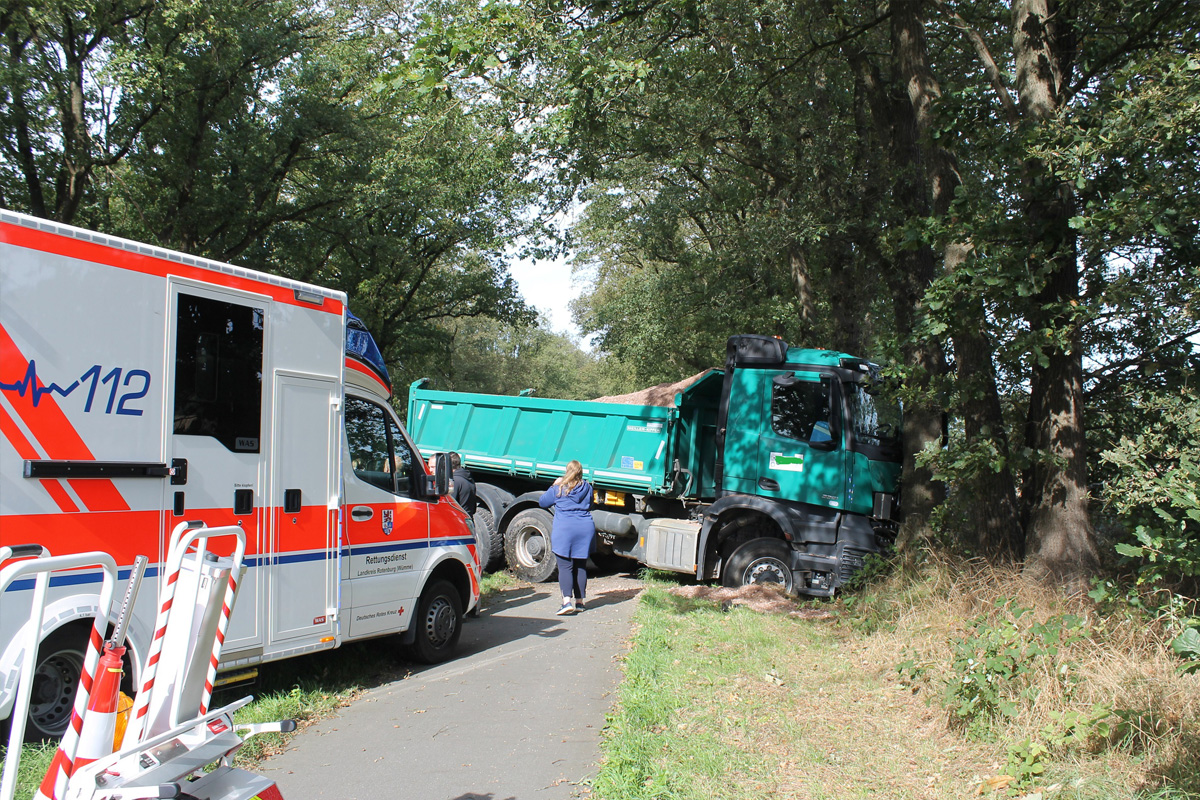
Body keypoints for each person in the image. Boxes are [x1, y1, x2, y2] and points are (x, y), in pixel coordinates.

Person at [539, 460, 595, 615]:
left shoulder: (559, 488)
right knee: (580, 565)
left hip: (565, 529)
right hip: (584, 527)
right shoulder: (588, 487)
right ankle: (580, 602)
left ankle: (566, 602)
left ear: (567, 471)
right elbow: (590, 505)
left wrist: (553, 485)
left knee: (565, 566)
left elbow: (543, 502)